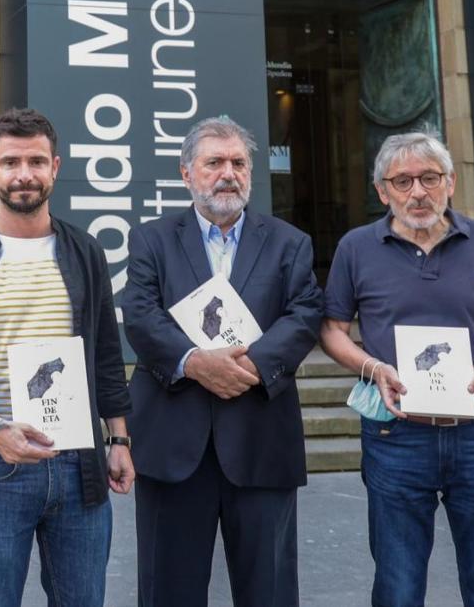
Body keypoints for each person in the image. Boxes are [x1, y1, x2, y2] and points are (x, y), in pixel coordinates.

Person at [320, 132, 474, 607]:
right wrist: (371, 367)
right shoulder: (356, 247)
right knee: (398, 589)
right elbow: (330, 329)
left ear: (451, 182)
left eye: (429, 177)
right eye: (402, 181)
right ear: (382, 191)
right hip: (396, 438)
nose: (417, 192)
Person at [0, 108, 134, 606]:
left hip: (79, 463)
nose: (25, 173)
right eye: (12, 161)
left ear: (56, 167)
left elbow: (107, 352)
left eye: (37, 161)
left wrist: (120, 439)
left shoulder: (85, 251)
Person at [122, 116, 322, 607]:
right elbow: (141, 314)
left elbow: (305, 314)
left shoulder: (289, 242)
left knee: (269, 591)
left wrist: (249, 366)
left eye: (238, 163)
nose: (228, 173)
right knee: (169, 591)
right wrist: (193, 362)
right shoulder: (152, 239)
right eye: (214, 163)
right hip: (173, 445)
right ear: (187, 173)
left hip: (261, 441)